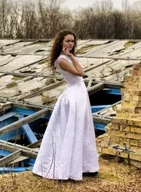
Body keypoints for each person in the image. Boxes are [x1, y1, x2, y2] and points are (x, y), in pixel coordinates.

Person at [32, 30, 99, 180]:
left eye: (72, 41)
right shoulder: (62, 60)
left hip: (79, 94)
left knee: (81, 128)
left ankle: (85, 166)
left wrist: (72, 57)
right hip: (74, 95)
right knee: (72, 130)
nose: (70, 44)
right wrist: (72, 57)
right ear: (61, 42)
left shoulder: (66, 58)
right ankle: (66, 168)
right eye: (68, 41)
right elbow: (81, 73)